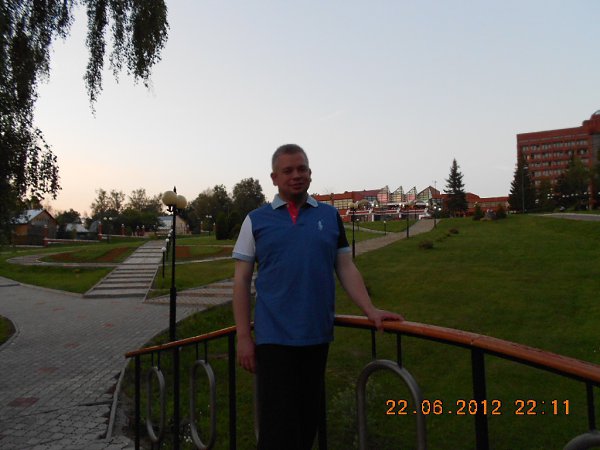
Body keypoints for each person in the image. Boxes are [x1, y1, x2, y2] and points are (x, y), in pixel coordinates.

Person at [232, 144, 404, 450]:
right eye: (288, 170)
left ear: (310, 173)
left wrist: (370, 309)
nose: (296, 175)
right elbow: (241, 281)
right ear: (274, 178)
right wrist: (244, 337)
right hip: (274, 339)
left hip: (316, 336)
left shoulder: (329, 216)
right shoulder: (255, 220)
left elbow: (345, 266)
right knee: (277, 431)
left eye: (302, 169)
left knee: (306, 424)